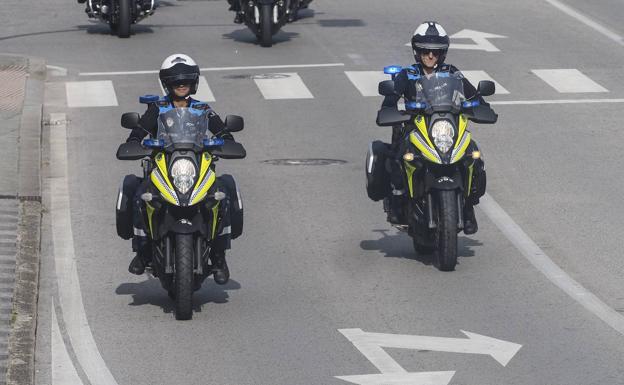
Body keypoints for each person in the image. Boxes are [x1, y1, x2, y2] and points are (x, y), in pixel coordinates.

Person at [125, 54, 234, 284]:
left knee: (223, 193)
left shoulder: (203, 109)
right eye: (176, 81)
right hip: (164, 166)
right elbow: (140, 130)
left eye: (185, 81)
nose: (181, 85)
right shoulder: (158, 108)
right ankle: (142, 251)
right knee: (138, 195)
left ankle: (220, 255)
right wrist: (135, 140)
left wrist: (226, 138)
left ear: (194, 83)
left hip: (197, 166)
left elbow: (222, 131)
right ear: (167, 84)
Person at [381, 21, 487, 234]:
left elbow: (473, 94)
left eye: (435, 52)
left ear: (443, 53)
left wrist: (481, 104)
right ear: (416, 51)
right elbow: (391, 99)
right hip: (414, 127)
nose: (430, 56)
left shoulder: (452, 73)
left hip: (446, 126)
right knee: (398, 156)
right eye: (425, 51)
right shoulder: (407, 74)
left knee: (473, 155)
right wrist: (390, 108)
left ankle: (468, 207)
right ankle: (398, 203)